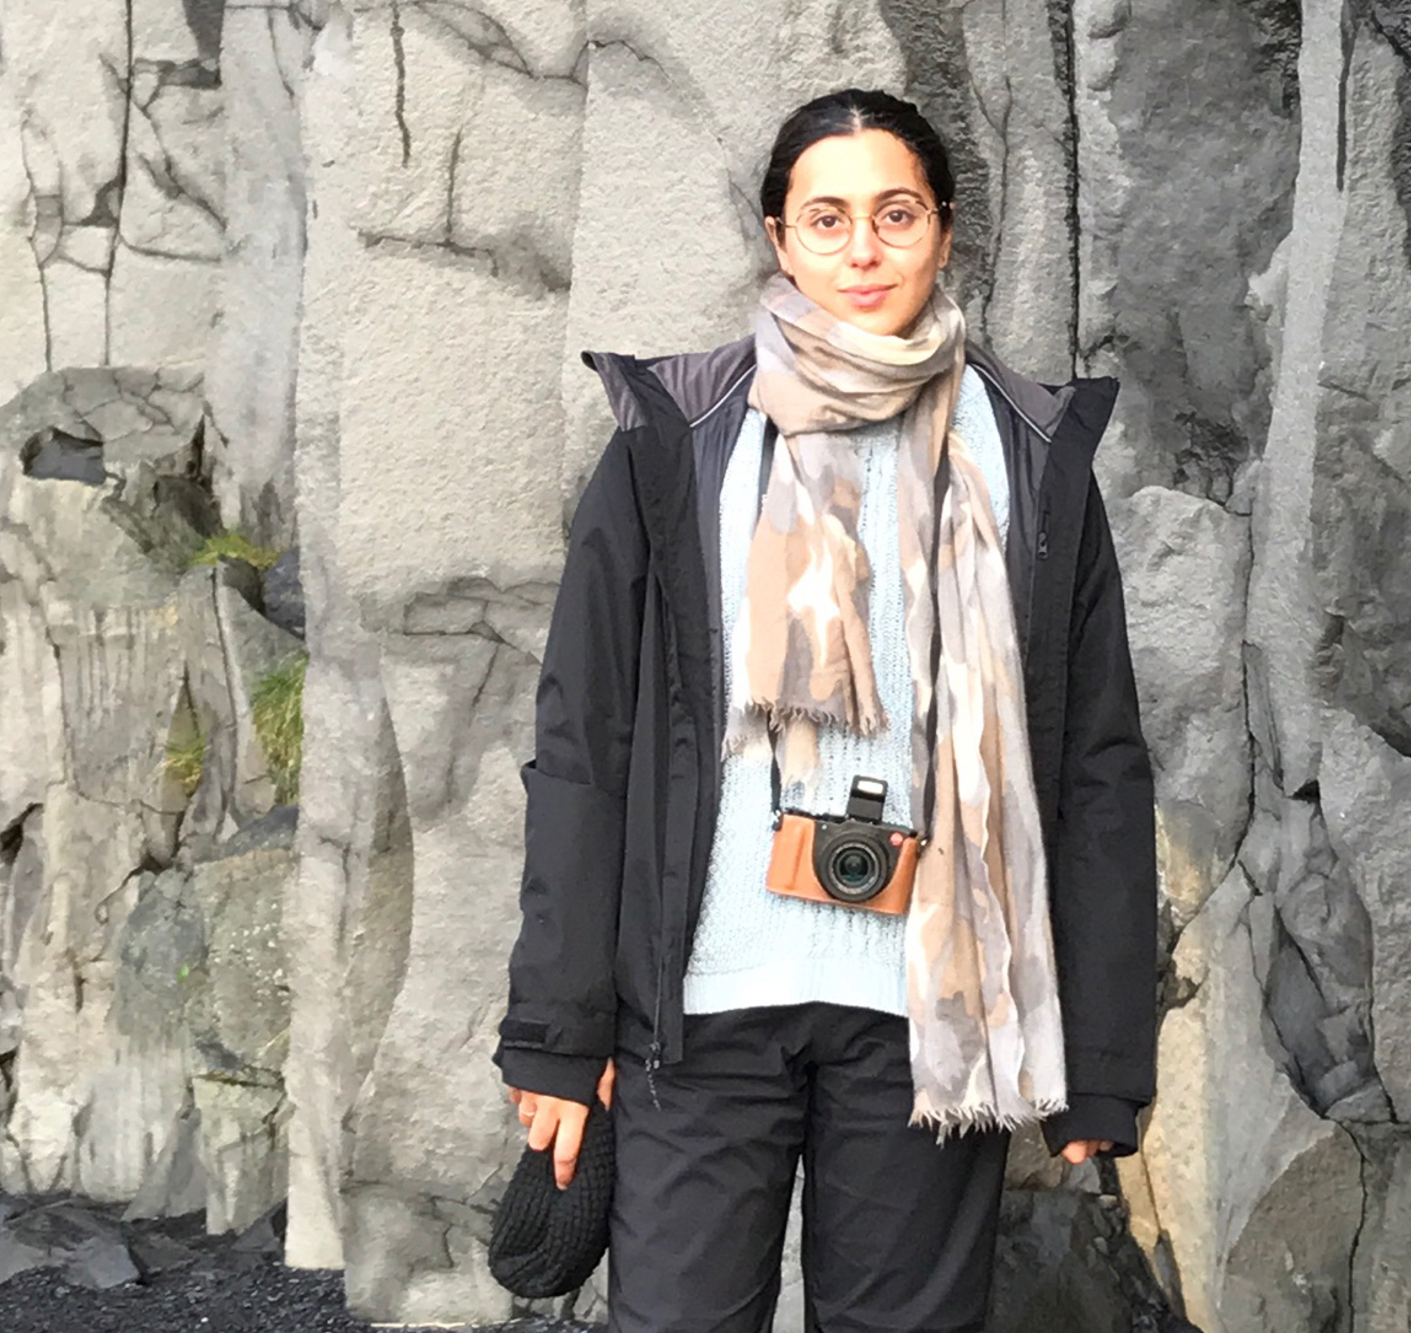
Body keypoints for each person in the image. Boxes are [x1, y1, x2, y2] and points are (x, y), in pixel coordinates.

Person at [495, 87, 1156, 1333]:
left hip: (927, 1011)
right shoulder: (675, 438)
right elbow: (585, 743)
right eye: (829, 217)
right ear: (778, 235)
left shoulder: (1030, 451)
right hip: (697, 1003)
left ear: (944, 231)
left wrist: (1105, 1059)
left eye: (895, 214)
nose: (863, 251)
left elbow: (1097, 764)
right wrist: (554, 1029)